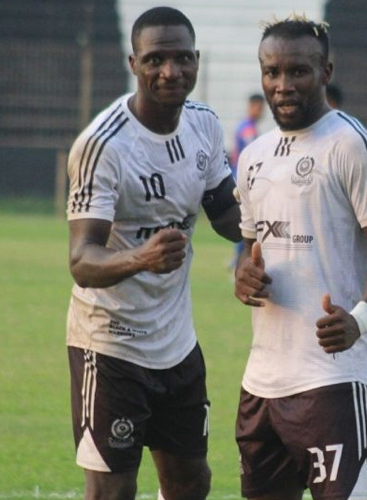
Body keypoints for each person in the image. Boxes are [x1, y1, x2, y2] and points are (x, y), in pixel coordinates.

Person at [64, 7, 241, 500]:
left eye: (182, 58)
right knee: (112, 490)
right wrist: (142, 258)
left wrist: (274, 228)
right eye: (155, 59)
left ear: (197, 61)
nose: (170, 71)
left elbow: (226, 212)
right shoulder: (103, 145)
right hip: (111, 344)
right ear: (133, 63)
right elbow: (81, 261)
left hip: (177, 343)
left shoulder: (204, 124)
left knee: (191, 482)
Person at [233, 15, 367, 500]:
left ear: (325, 72)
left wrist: (360, 320)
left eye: (298, 71)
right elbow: (250, 252)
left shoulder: (352, 145)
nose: (283, 85)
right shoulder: (253, 156)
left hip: (335, 377)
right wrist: (244, 278)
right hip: (262, 382)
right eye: (272, 72)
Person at [229, 94, 265, 269]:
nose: (261, 111)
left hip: (239, 179)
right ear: (252, 106)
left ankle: (237, 260)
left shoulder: (244, 126)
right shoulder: (248, 130)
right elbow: (252, 157)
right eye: (259, 107)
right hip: (244, 182)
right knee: (248, 224)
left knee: (247, 223)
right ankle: (239, 262)